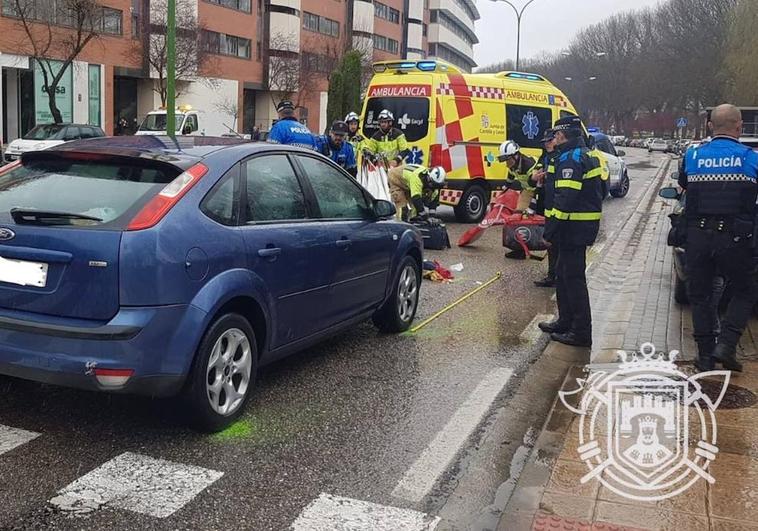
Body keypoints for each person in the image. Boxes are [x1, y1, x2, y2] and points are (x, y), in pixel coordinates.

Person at [677, 104, 758, 372]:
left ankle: (705, 356)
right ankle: (727, 343)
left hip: (697, 237)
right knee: (746, 289)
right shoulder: (750, 158)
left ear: (711, 126)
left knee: (700, 295)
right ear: (739, 127)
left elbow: (685, 186)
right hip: (734, 238)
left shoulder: (693, 155)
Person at [538, 115, 603, 348]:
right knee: (564, 276)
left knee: (573, 280)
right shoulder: (582, 154)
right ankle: (565, 321)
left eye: (556, 134)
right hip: (576, 227)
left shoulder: (571, 158)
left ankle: (581, 332)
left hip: (573, 228)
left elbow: (564, 200)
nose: (554, 138)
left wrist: (549, 232)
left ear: (563, 135)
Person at [498, 139, 539, 259]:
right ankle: (519, 250)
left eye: (507, 160)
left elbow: (538, 186)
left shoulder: (529, 165)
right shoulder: (513, 165)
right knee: (517, 217)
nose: (506, 164)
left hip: (539, 191)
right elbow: (510, 177)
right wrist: (503, 190)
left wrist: (532, 206)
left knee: (532, 219)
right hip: (527, 190)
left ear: (515, 156)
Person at [532, 129, 560, 287]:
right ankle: (552, 275)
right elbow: (537, 170)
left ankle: (557, 275)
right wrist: (536, 175)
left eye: (549, 141)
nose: (547, 144)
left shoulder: (561, 155)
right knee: (550, 242)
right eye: (545, 142)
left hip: (558, 203)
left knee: (557, 241)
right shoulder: (545, 156)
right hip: (546, 201)